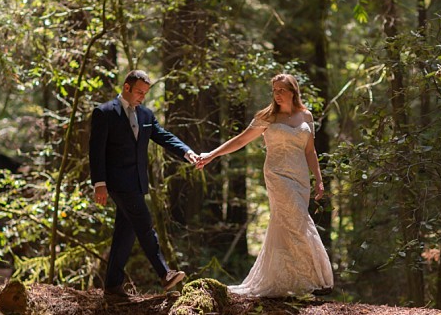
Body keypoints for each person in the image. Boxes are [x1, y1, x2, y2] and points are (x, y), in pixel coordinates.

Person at [196, 73, 334, 298]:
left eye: (282, 90)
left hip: (300, 179)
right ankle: (311, 280)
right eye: (275, 90)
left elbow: (310, 150)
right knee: (298, 220)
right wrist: (212, 155)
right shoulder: (268, 117)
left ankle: (289, 281)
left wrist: (318, 179)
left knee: (286, 225)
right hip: (277, 175)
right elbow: (241, 140)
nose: (277, 94)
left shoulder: (306, 116)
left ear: (293, 91)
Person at [89, 69, 199, 298]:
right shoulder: (105, 112)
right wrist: (99, 183)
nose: (142, 96)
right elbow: (96, 150)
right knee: (143, 222)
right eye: (139, 91)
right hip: (117, 182)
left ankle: (112, 287)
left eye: (145, 93)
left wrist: (187, 152)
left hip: (138, 182)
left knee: (124, 234)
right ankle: (164, 272)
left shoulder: (146, 115)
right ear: (126, 87)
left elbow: (164, 136)